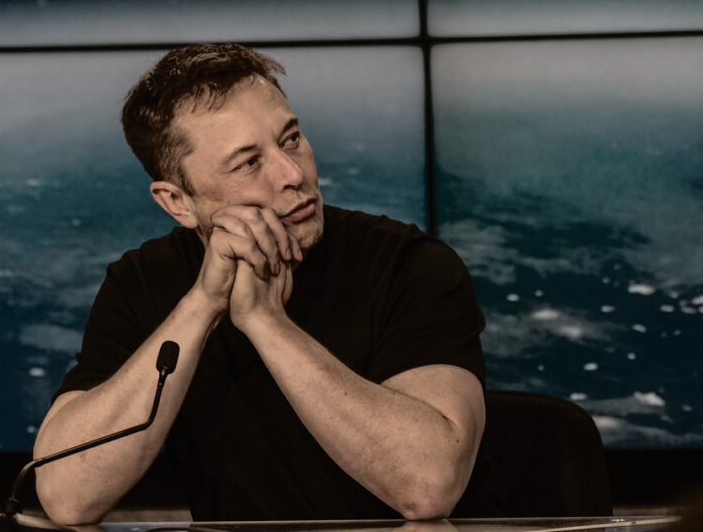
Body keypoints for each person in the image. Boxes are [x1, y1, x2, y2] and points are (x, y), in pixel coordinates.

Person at [33, 43, 487, 525]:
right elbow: (67, 495)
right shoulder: (142, 281)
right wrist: (204, 304)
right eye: (249, 163)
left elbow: (428, 486)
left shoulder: (409, 265)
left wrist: (265, 322)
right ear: (178, 202)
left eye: (290, 139)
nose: (294, 175)